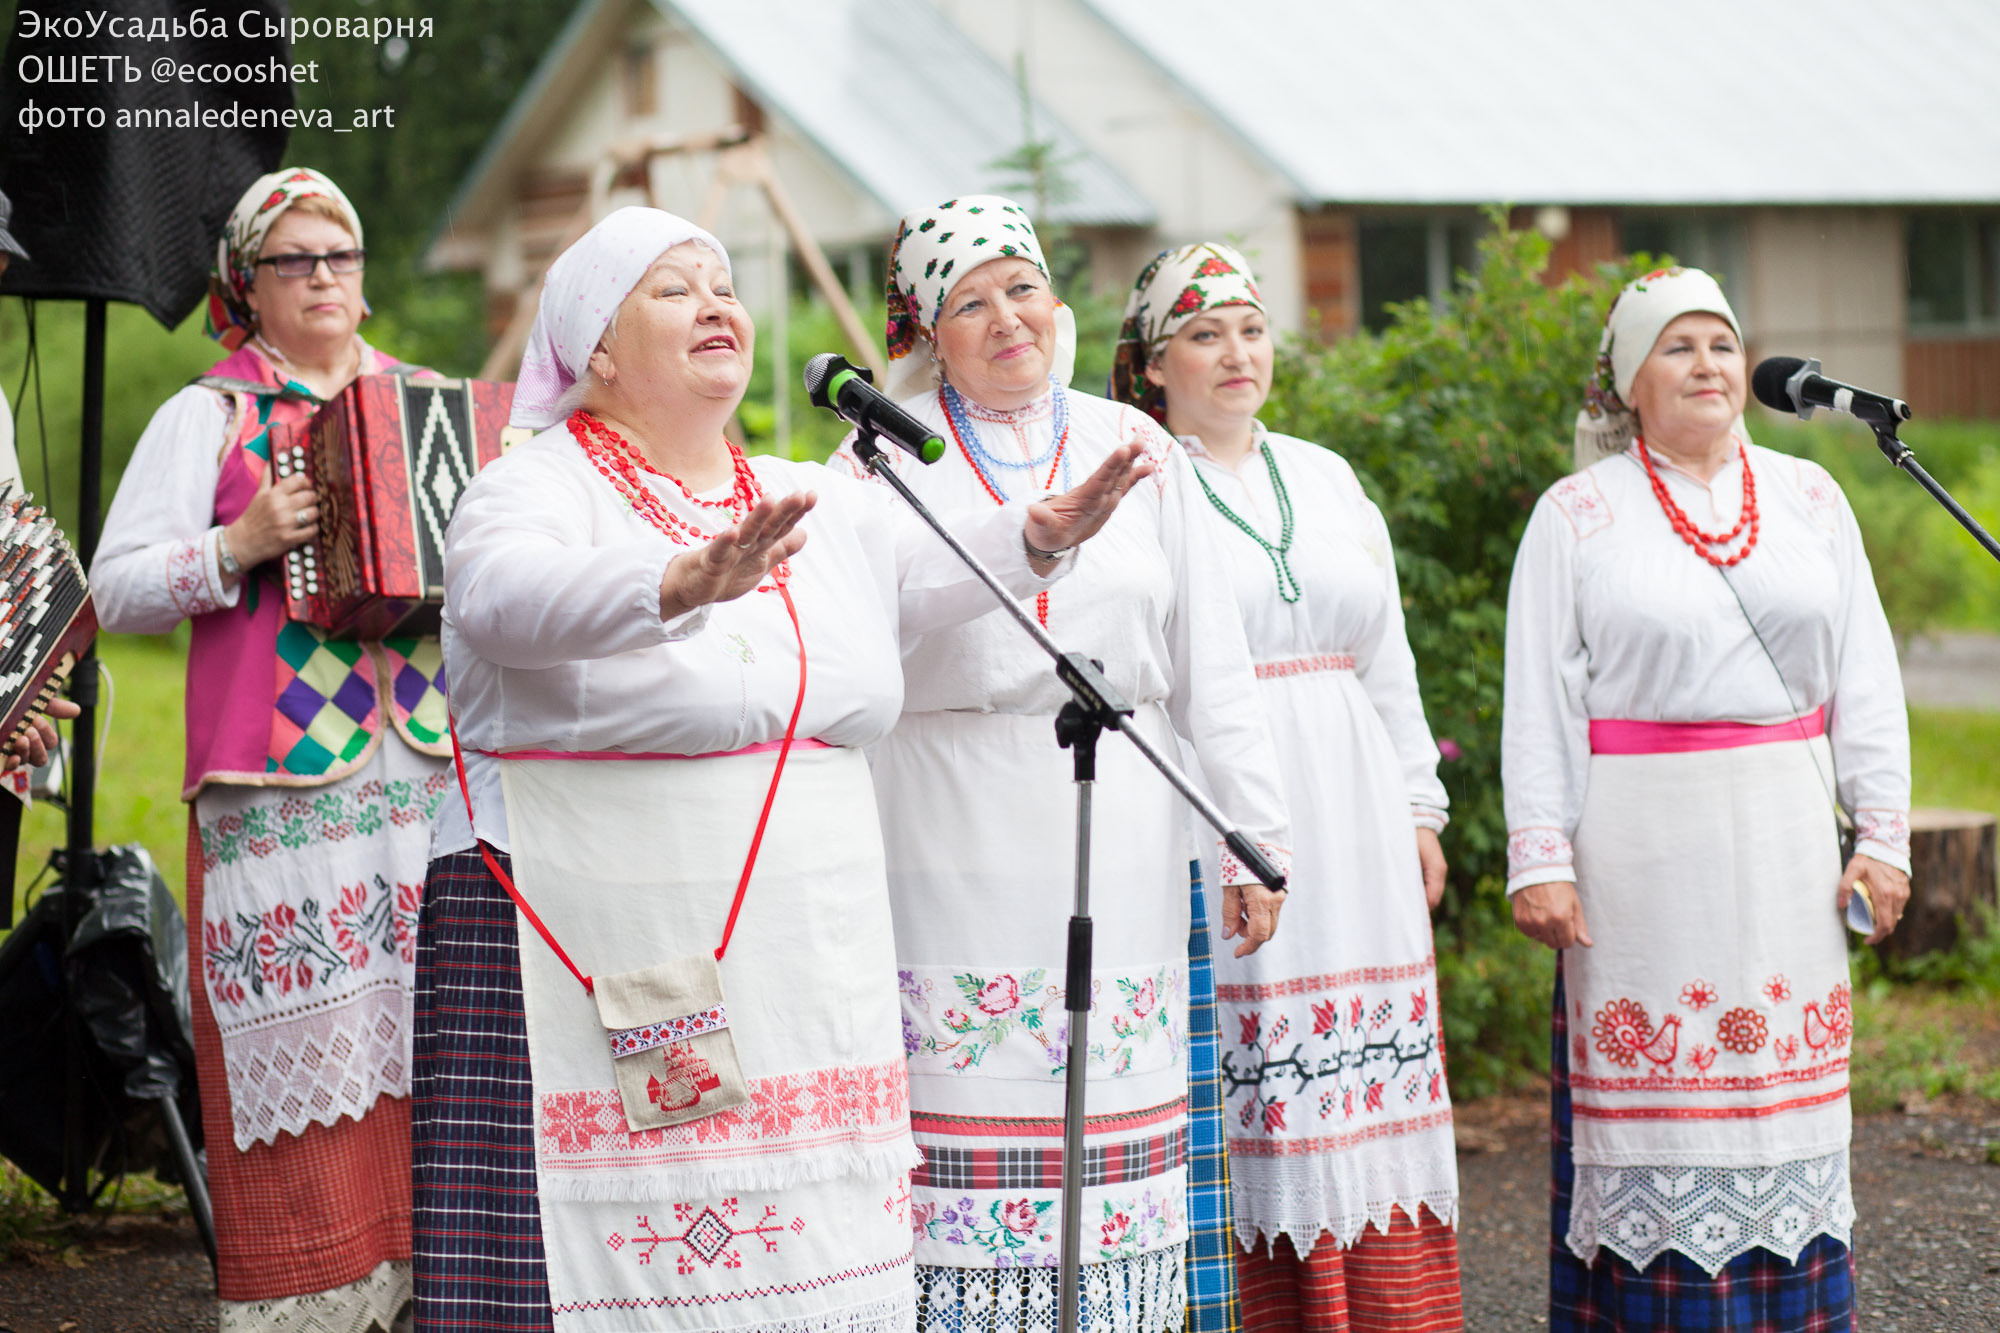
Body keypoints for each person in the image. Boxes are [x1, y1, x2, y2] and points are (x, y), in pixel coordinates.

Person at [414, 205, 1152, 1333]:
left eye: (723, 283)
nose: (716, 304)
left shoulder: (800, 487)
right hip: (588, 940)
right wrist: (674, 584)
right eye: (672, 289)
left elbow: (922, 574)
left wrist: (1038, 532)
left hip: (798, 966)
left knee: (793, 1264)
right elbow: (499, 599)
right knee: (597, 1266)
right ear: (593, 348)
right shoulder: (535, 485)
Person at [830, 198, 1292, 1333]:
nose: (1004, 320)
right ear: (925, 327)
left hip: (1119, 814)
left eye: (1021, 289)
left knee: (1107, 1124)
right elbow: (852, 634)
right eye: (968, 302)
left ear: (1056, 299)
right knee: (967, 1112)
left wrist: (1251, 836)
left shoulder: (1130, 446)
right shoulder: (870, 459)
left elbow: (1210, 664)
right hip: (945, 819)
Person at [1503, 267, 1911, 1332]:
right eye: (1675, 347)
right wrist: (1537, 855)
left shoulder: (1810, 499)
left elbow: (1861, 677)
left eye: (1720, 345)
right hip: (1640, 851)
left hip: (1783, 834)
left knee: (1785, 1120)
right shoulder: (1575, 513)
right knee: (1656, 1127)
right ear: (1628, 381)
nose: (1705, 366)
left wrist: (1883, 836)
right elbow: (1537, 695)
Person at [93, 167, 447, 1332]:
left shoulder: (426, 403)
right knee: (321, 1044)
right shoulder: (212, 414)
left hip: (432, 767)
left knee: (432, 1029)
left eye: (339, 255)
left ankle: (436, 1280)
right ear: (247, 284)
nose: (324, 278)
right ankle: (320, 1293)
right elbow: (112, 588)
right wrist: (236, 543)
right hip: (282, 784)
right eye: (295, 261)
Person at [1111, 243, 1463, 1332]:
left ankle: (1387, 1305)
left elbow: (1385, 654)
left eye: (1250, 329)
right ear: (1153, 363)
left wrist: (1418, 805)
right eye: (1203, 334)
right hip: (1222, 798)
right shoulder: (1137, 483)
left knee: (1365, 1051)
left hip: (1353, 797)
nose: (1234, 353)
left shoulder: (1323, 473)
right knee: (1254, 1040)